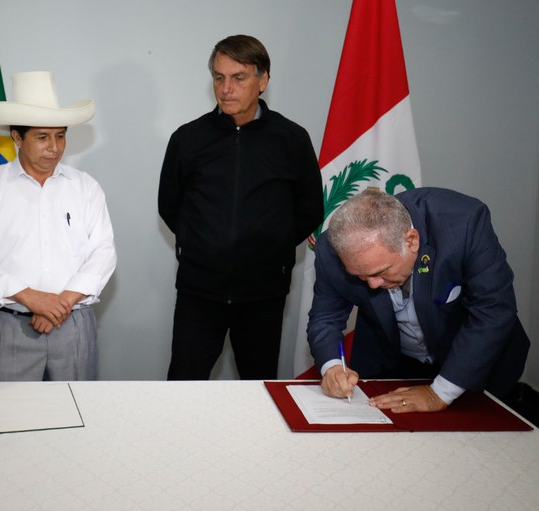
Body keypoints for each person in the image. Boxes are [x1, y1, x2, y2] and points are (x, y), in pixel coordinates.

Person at [158, 34, 324, 380]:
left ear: (262, 81)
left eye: (238, 77)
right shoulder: (188, 139)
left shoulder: (291, 139)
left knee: (259, 389)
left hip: (263, 294)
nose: (226, 88)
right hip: (199, 292)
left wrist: (269, 247)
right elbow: (170, 206)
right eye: (219, 77)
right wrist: (202, 244)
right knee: (182, 388)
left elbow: (309, 210)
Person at [308, 187, 530, 413]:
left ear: (412, 241)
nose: (372, 284)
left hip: (478, 366)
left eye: (380, 272)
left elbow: (493, 310)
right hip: (394, 366)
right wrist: (332, 367)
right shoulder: (331, 250)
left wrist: (440, 393)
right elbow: (325, 317)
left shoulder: (463, 222)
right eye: (361, 276)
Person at [0, 71, 116, 381]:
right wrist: (31, 298)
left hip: (73, 324)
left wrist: (59, 304)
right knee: (9, 420)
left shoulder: (85, 187)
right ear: (17, 137)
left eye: (60, 136)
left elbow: (103, 252)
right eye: (42, 137)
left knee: (78, 416)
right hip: (9, 326)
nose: (54, 147)